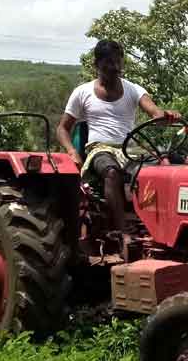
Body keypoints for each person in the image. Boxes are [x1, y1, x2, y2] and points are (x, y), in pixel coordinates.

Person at [56, 39, 179, 232]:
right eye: (109, 63)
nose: (114, 68)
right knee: (111, 172)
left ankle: (161, 226)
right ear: (97, 64)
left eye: (117, 63)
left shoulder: (133, 89)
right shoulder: (82, 92)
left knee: (164, 168)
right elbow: (62, 129)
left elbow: (156, 113)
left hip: (130, 148)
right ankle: (123, 232)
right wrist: (72, 152)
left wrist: (167, 116)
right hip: (100, 148)